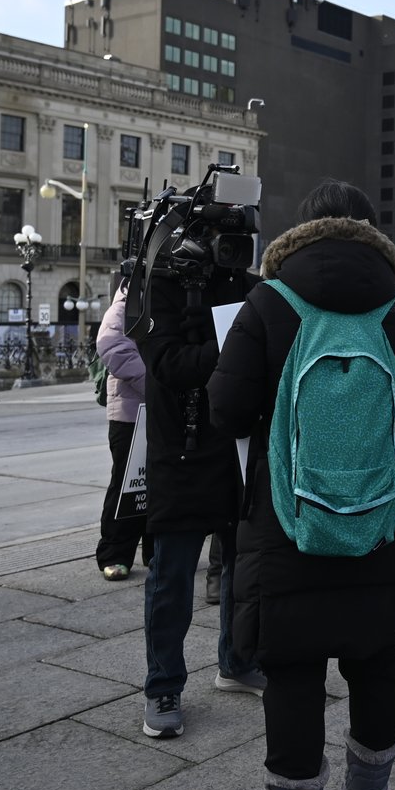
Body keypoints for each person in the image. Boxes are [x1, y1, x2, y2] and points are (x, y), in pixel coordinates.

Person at [209, 179, 395, 790]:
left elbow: (227, 410)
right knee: (377, 663)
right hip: (379, 526)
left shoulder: (267, 301)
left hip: (286, 526)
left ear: (301, 231)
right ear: (372, 233)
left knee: (292, 675)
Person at [133, 197, 262, 739]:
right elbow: (167, 363)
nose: (226, 249)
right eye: (215, 236)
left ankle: (237, 661)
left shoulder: (252, 288)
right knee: (172, 576)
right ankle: (163, 685)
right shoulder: (158, 285)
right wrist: (232, 346)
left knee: (242, 566)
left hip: (237, 444)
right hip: (181, 447)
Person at [94, 276, 148, 580]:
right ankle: (115, 553)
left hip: (163, 408)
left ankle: (154, 550)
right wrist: (158, 386)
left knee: (160, 482)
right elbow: (112, 344)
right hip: (130, 412)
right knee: (127, 484)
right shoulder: (128, 298)